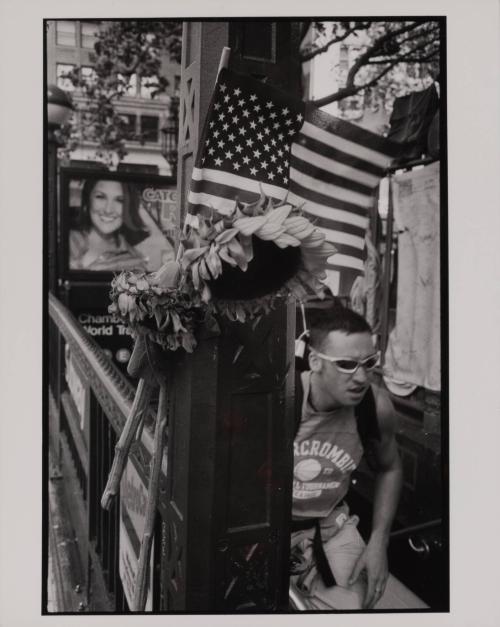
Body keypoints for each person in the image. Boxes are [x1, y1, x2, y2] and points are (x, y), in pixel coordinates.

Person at [290, 305, 403, 610]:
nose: (361, 377)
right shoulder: (283, 399)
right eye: (345, 364)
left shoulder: (374, 406)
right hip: (269, 532)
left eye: (368, 363)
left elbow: (390, 467)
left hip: (330, 528)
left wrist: (379, 540)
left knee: (356, 605)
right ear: (314, 361)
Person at [70, 178, 174, 272]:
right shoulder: (67, 240)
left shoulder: (134, 262)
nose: (108, 210)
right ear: (88, 200)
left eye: (119, 200)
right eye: (100, 197)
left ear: (128, 207)